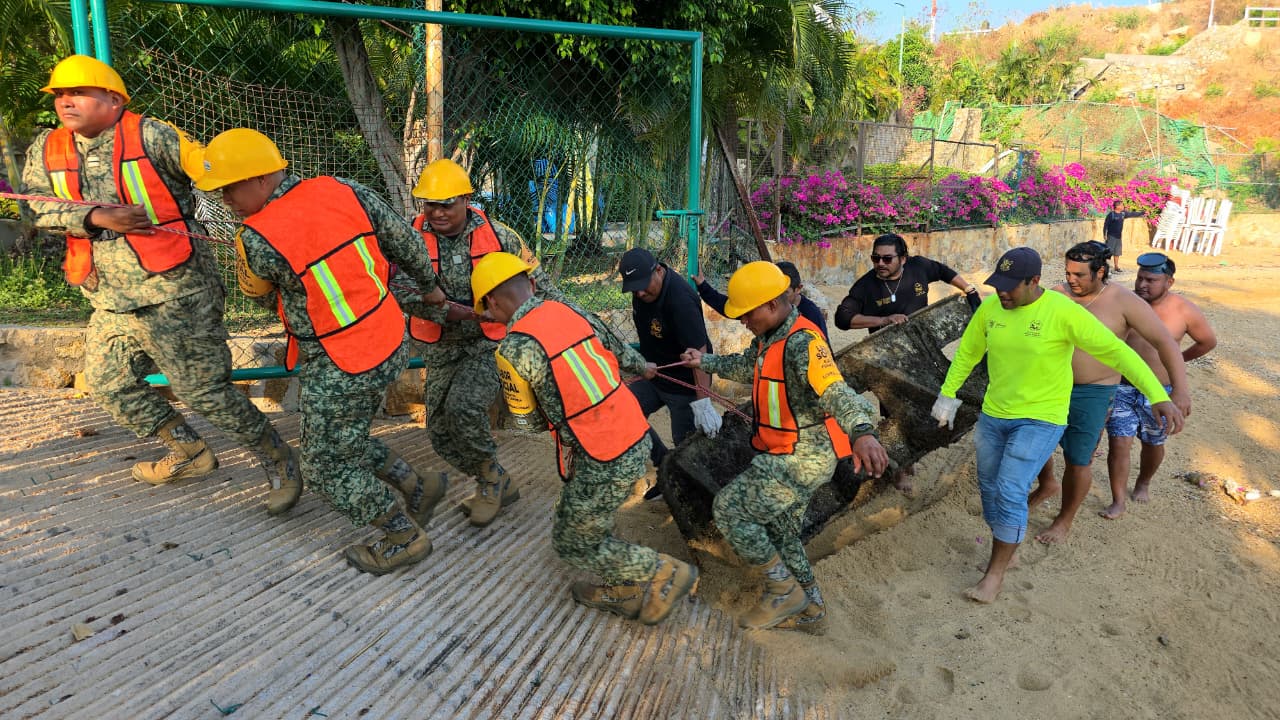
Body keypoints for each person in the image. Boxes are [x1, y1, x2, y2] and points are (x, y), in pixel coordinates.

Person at [20, 55, 301, 513]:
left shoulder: (153, 135)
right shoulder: (46, 148)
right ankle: (189, 451)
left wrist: (276, 220)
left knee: (204, 391)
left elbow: (215, 172)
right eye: (59, 95)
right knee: (109, 383)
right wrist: (93, 216)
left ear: (113, 100)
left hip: (177, 289)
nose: (65, 101)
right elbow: (33, 208)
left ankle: (280, 462)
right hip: (108, 296)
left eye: (77, 92)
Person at [196, 128, 449, 575]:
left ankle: (403, 536)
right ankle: (417, 486)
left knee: (324, 467)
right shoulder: (340, 189)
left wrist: (249, 252)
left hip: (342, 356)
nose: (225, 200)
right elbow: (405, 242)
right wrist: (429, 290)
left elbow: (257, 295)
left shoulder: (256, 238)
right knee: (336, 436)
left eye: (229, 188)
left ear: (260, 178)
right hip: (388, 335)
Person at [932, 247, 1182, 603]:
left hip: (1042, 416)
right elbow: (969, 353)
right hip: (995, 414)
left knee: (1010, 487)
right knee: (989, 488)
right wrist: (947, 394)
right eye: (997, 285)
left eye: (1010, 287)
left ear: (1034, 282)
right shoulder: (991, 309)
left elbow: (1118, 353)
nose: (1001, 292)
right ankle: (1009, 541)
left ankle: (995, 574)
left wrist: (1158, 394)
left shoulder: (1061, 311)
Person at [472, 252, 698, 625]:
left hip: (600, 452)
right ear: (530, 285)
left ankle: (663, 571)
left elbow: (527, 424)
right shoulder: (569, 311)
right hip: (634, 432)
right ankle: (621, 589)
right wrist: (644, 367)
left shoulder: (511, 350)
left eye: (485, 310)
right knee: (577, 509)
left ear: (492, 303)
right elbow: (617, 349)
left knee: (571, 541)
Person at [681, 262, 890, 630]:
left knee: (730, 510)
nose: (743, 321)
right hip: (783, 451)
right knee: (780, 532)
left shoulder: (804, 343)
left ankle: (783, 592)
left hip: (800, 458)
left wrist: (862, 431)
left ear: (773, 306)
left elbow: (836, 391)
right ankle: (812, 609)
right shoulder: (771, 337)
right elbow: (751, 365)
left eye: (747, 314)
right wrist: (706, 360)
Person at [405, 158, 578, 527]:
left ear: (467, 199)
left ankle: (489, 483)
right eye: (429, 204)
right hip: (442, 346)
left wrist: (573, 321)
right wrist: (456, 313)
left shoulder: (500, 237)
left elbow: (539, 284)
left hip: (489, 343)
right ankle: (498, 479)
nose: (436, 212)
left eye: (446, 203)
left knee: (464, 408)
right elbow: (398, 289)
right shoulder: (409, 237)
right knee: (439, 433)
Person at [1027, 242, 1191, 544]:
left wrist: (1178, 391)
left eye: (1079, 274)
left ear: (1101, 271)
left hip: (1095, 391)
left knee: (1079, 458)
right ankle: (1047, 483)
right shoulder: (1056, 295)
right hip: (1051, 385)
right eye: (1067, 273)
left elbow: (1165, 343)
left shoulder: (1124, 301)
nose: (1070, 279)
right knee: (1034, 442)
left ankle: (1064, 520)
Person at [1104, 252, 1217, 518]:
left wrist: (1178, 364)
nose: (1142, 284)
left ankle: (1143, 482)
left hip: (1159, 393)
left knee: (1153, 443)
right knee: (1119, 443)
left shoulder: (1183, 310)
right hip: (1122, 387)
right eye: (1140, 278)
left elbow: (1207, 341)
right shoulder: (1124, 302)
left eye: (1150, 280)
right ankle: (1118, 498)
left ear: (1169, 282)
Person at [618, 248, 721, 495]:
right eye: (634, 288)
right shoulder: (641, 291)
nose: (640, 292)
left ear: (659, 271)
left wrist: (703, 403)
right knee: (623, 411)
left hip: (685, 381)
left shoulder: (680, 299)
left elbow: (700, 353)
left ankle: (697, 492)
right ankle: (664, 464)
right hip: (654, 375)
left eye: (643, 285)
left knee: (687, 446)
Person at [834, 233, 981, 332]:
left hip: (923, 338)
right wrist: (884, 320)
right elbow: (842, 319)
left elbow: (944, 271)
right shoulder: (864, 286)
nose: (880, 263)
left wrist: (969, 289)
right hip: (885, 349)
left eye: (887, 259)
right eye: (875, 258)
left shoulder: (918, 266)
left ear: (903, 259)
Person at [694, 261, 828, 337]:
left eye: (784, 293)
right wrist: (703, 286)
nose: (744, 320)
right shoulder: (765, 325)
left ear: (798, 289)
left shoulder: (810, 320)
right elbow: (731, 308)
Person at [1102, 200, 1145, 274]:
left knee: (1117, 253)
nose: (1123, 206)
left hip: (1118, 237)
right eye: (1122, 205)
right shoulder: (1111, 215)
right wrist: (1104, 235)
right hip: (1111, 237)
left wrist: (1142, 212)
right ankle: (1104, 268)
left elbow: (1132, 214)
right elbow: (1106, 225)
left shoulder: (1123, 214)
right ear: (1117, 206)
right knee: (1108, 253)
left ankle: (1116, 267)